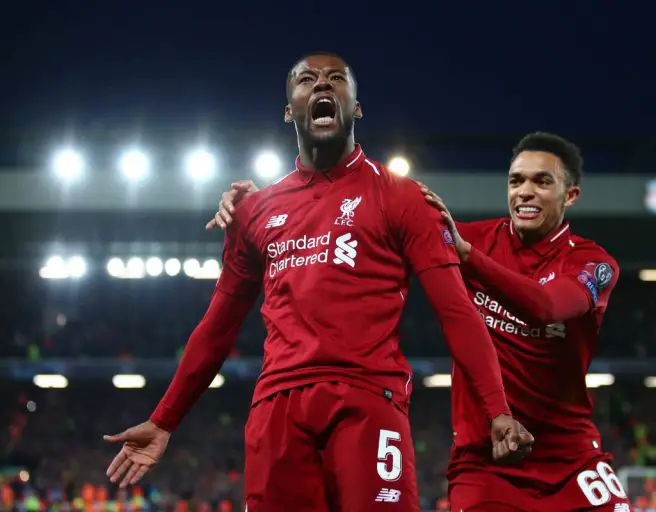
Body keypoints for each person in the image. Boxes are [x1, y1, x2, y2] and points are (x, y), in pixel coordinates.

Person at [104, 52, 533, 512]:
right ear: (290, 109)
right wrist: (165, 418)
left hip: (368, 401)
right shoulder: (255, 212)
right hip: (277, 410)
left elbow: (456, 311)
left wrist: (498, 409)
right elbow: (217, 326)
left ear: (356, 106)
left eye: (335, 80)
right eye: (307, 80)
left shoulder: (403, 198)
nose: (322, 86)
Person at [208, 132, 631, 511]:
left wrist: (467, 257)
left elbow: (545, 306)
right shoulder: (472, 236)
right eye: (516, 180)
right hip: (486, 463)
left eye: (542, 182)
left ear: (570, 194)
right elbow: (360, 225)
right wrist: (265, 207)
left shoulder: (592, 263)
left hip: (572, 458)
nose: (525, 192)